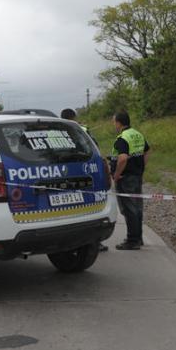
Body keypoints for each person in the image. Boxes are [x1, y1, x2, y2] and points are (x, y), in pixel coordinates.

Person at [61, 108, 107, 251]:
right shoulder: (81, 129)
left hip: (64, 172)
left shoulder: (56, 130)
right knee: (89, 208)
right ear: (73, 117)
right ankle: (93, 242)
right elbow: (93, 149)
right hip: (84, 170)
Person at [109, 110, 149, 250]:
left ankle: (132, 240)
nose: (113, 124)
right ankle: (138, 238)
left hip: (125, 178)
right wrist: (141, 168)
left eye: (114, 121)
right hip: (137, 176)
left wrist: (116, 175)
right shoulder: (138, 134)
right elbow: (146, 151)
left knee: (129, 209)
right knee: (137, 207)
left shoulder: (122, 138)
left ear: (119, 122)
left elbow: (123, 158)